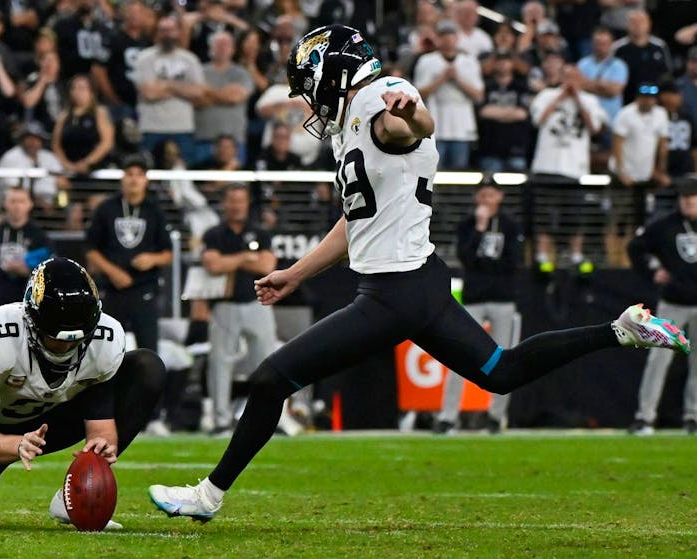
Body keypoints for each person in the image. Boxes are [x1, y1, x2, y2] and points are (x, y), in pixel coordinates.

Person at [148, 24, 690, 522]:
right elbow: (356, 219)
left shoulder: (382, 102)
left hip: (394, 293)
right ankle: (619, 329)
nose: (309, 101)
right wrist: (297, 272)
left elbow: (407, 125)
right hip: (422, 279)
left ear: (332, 75)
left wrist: (409, 110)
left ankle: (208, 496)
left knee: (270, 379)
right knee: (500, 371)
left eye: (309, 85)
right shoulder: (350, 123)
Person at [0, 258, 166, 529]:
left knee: (147, 368)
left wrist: (99, 452)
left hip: (49, 416)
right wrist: (15, 445)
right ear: (31, 322)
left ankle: (69, 499)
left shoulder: (105, 340)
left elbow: (101, 426)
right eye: (56, 339)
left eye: (75, 340)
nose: (65, 348)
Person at [435, 184, 522, 435]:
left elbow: (513, 261)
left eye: (491, 194)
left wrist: (484, 263)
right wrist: (480, 229)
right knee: (459, 355)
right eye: (483, 195)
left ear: (500, 197)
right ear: (476, 198)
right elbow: (464, 256)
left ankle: (496, 416)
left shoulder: (510, 225)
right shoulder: (466, 225)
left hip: (502, 299)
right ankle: (448, 416)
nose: (487, 199)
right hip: (473, 298)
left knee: (505, 358)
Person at [201, 184, 278, 436]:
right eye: (232, 201)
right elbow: (212, 265)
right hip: (225, 306)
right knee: (220, 364)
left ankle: (267, 418)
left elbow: (267, 265)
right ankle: (221, 420)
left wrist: (231, 261)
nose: (236, 205)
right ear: (225, 204)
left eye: (240, 201)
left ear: (247, 204)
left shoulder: (260, 231)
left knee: (267, 363)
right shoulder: (214, 233)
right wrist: (246, 258)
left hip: (258, 302)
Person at [626, 175, 697, 436]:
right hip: (674, 302)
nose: (688, 201)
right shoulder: (664, 225)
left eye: (692, 197)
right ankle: (645, 417)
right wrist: (652, 270)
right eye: (685, 197)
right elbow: (635, 247)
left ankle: (693, 417)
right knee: (658, 360)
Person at [85, 155, 173, 356]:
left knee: (148, 350)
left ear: (146, 180)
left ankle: (148, 387)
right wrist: (113, 271)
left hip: (144, 289)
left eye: (139, 175)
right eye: (129, 174)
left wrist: (152, 259)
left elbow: (168, 253)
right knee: (104, 351)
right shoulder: (106, 208)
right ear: (122, 178)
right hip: (111, 289)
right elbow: (90, 249)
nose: (134, 179)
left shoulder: (155, 211)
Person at [528, 63, 607, 274]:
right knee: (543, 216)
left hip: (575, 169)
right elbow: (538, 120)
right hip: (546, 165)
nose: (570, 80)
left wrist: (578, 98)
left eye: (574, 76)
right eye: (566, 76)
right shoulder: (546, 95)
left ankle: (576, 255)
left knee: (575, 216)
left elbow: (595, 128)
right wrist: (561, 96)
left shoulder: (590, 100)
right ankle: (542, 256)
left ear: (581, 78)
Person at [133, 15, 206, 166]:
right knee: (148, 170)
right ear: (157, 33)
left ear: (178, 32)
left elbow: (199, 91)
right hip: (151, 126)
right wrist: (182, 88)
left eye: (171, 30)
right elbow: (149, 93)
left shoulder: (190, 60)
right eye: (163, 30)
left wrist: (166, 85)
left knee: (183, 173)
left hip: (182, 126)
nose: (167, 34)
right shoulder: (144, 58)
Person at [0, 186, 53, 312]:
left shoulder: (39, 237)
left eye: (21, 201)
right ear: (5, 204)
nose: (17, 206)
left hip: (29, 305)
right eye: (13, 201)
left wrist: (28, 271)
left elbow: (51, 268)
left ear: (30, 204)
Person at [414, 19, 484, 170]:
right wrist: (441, 79)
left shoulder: (469, 61)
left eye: (451, 35)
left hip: (462, 127)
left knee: (459, 174)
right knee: (432, 171)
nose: (448, 39)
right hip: (436, 125)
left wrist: (457, 79)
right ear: (438, 38)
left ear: (457, 38)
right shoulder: (426, 61)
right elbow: (418, 95)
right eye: (444, 35)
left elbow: (479, 95)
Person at [610, 83, 671, 228]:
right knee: (618, 216)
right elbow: (617, 144)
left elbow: (662, 145)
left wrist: (661, 171)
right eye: (644, 97)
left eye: (651, 98)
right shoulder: (626, 113)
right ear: (637, 98)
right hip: (624, 175)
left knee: (640, 218)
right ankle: (613, 249)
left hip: (644, 175)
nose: (648, 101)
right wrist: (621, 172)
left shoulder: (661, 114)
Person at [194, 30, 253, 165]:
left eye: (225, 45)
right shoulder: (198, 72)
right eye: (218, 44)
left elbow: (235, 98)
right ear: (210, 48)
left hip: (235, 142)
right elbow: (196, 100)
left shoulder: (241, 73)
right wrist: (225, 94)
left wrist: (207, 91)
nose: (222, 48)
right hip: (204, 139)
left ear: (233, 49)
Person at [0, 121, 65, 214]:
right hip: (12, 209)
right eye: (29, 138)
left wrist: (59, 196)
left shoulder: (49, 157)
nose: (33, 142)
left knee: (69, 206)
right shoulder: (11, 157)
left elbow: (63, 182)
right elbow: (13, 188)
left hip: (49, 208)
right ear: (22, 139)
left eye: (36, 138)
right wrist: (39, 200)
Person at [51, 74, 114, 175]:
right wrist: (66, 164)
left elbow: (107, 142)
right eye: (74, 88)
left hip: (95, 168)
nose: (77, 92)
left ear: (91, 92)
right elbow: (56, 144)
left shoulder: (99, 113)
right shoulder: (64, 116)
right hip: (68, 168)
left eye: (81, 88)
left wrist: (87, 162)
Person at [612, 10, 672, 105]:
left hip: (656, 100)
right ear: (627, 25)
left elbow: (667, 73)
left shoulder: (660, 46)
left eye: (641, 22)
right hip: (627, 99)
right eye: (634, 22)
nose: (638, 26)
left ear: (649, 24)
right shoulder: (618, 48)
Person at [577, 27, 629, 128]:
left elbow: (614, 91)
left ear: (611, 45)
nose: (600, 47)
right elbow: (578, 87)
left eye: (604, 43)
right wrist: (604, 85)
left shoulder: (619, 65)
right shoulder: (582, 64)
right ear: (592, 44)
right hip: (587, 121)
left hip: (612, 120)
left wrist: (589, 85)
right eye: (598, 43)